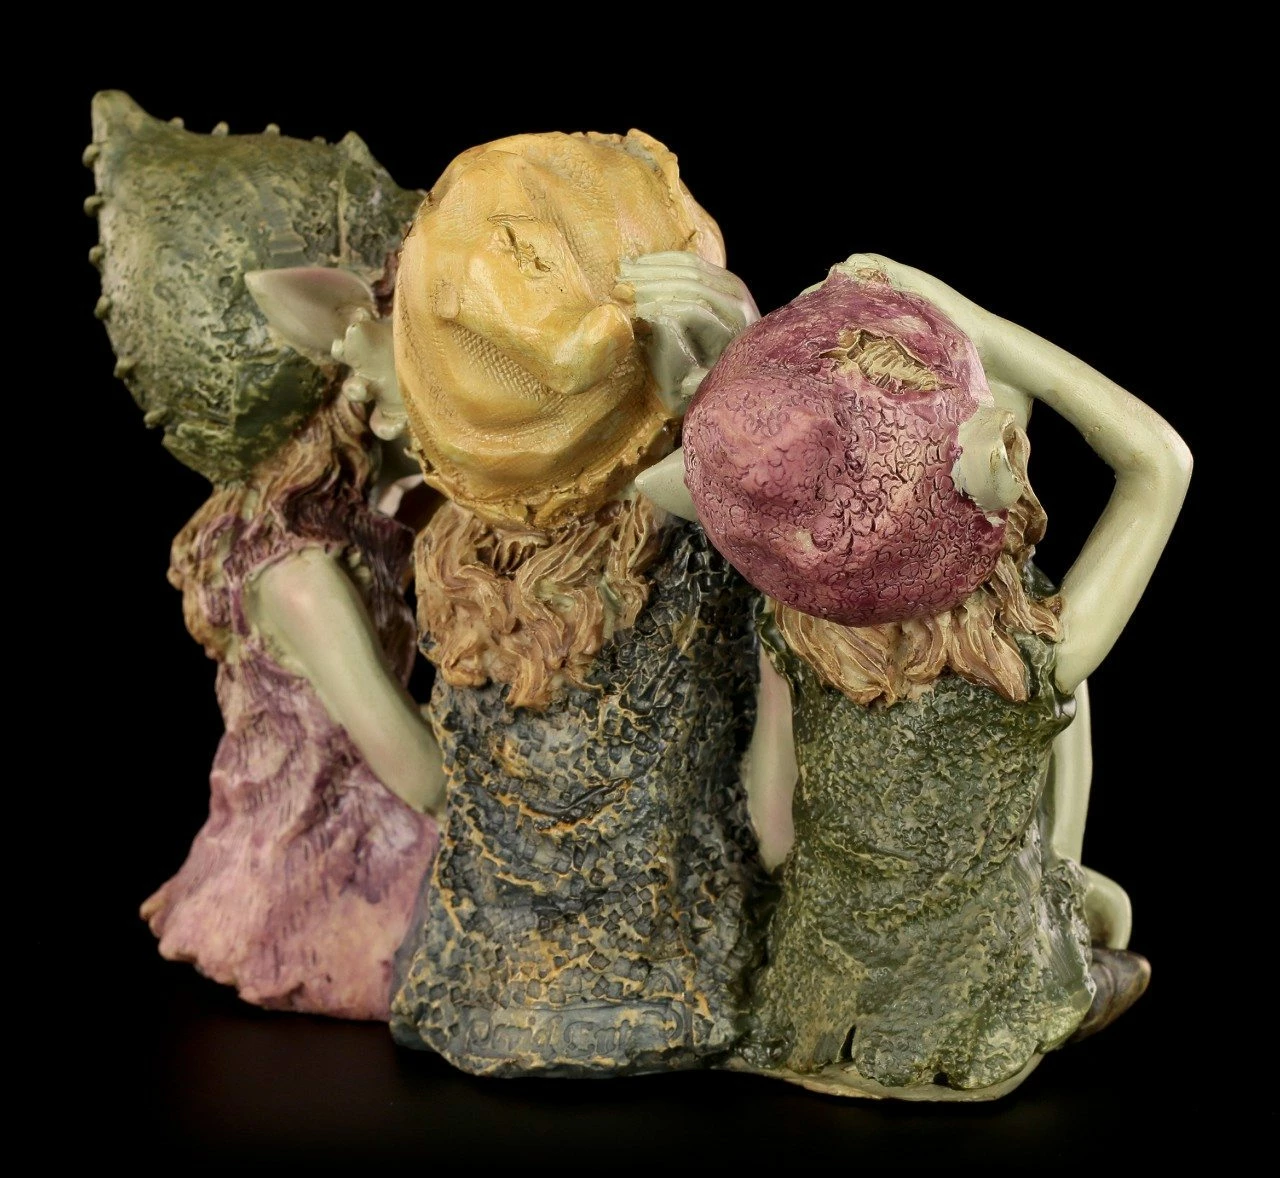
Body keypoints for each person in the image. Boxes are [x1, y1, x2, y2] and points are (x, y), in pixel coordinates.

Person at [640, 254, 1191, 1096]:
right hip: (982, 1006)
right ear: (989, 468)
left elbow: (770, 825)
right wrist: (973, 320)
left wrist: (756, 379)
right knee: (1095, 919)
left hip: (817, 1005)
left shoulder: (798, 634)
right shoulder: (1038, 652)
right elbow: (1160, 464)